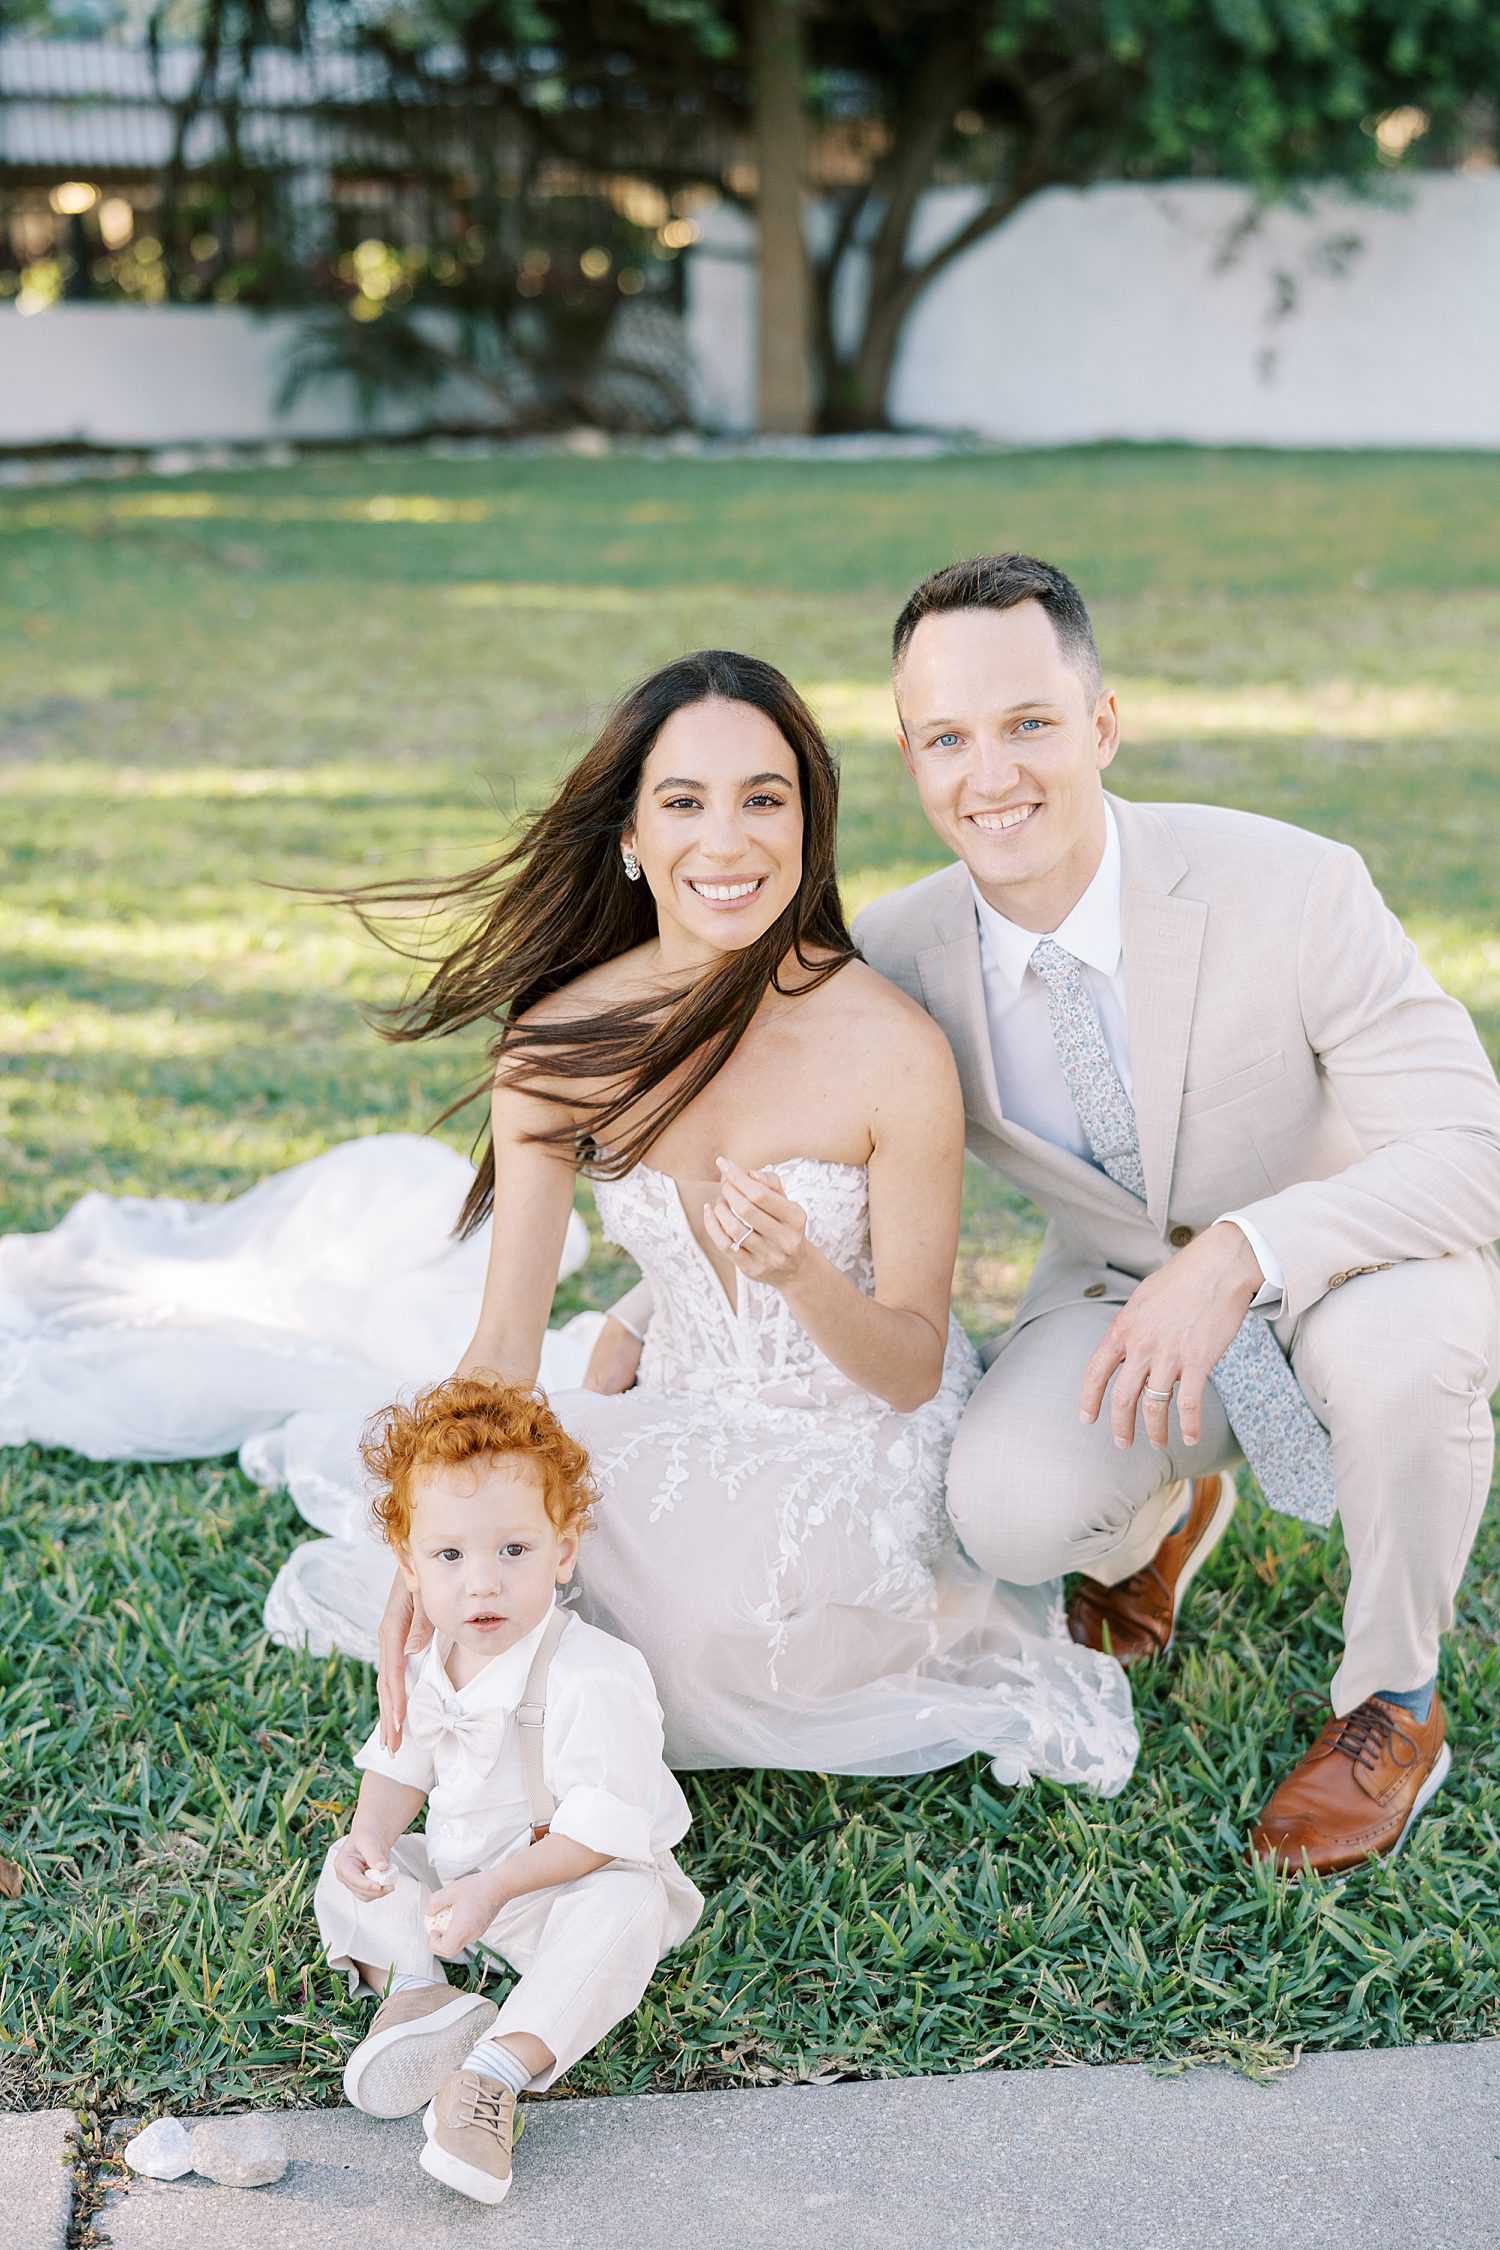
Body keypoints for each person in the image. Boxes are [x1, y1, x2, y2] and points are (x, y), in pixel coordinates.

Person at [790, 554, 1500, 1874]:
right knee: (1005, 1507)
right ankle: (1164, 1517)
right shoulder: (895, 956)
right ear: (910, 757)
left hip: (1355, 1260)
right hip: (1119, 1284)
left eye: (1029, 724)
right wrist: (655, 1306)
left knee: (1413, 1367)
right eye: (948, 737)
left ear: (1102, 724)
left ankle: (1395, 1701)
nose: (989, 773)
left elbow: (1476, 1145)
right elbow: (788, 1148)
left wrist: (1249, 1249)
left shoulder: (1293, 886)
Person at [363, 647, 1136, 1792]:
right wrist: (426, 1543)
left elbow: (913, 1370)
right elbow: (504, 1355)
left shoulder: (891, 1049)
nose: (725, 843)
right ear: (631, 837)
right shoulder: (559, 1048)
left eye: (762, 800)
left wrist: (805, 1276)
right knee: (504, 1574)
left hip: (859, 1440)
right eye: (683, 803)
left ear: (808, 827)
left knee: (683, 1647)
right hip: (681, 1413)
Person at [314, 1375, 702, 2208]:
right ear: (410, 1569)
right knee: (348, 1870)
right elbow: (397, 1768)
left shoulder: (594, 1674)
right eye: (450, 1556)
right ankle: (418, 1992)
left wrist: (495, 1889)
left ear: (564, 1550)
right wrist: (371, 1840)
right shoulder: (433, 1662)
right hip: (465, 1888)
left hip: (558, 1884)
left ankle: (493, 2073)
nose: (481, 1584)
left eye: (513, 1551)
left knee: (631, 1908)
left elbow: (598, 1835)